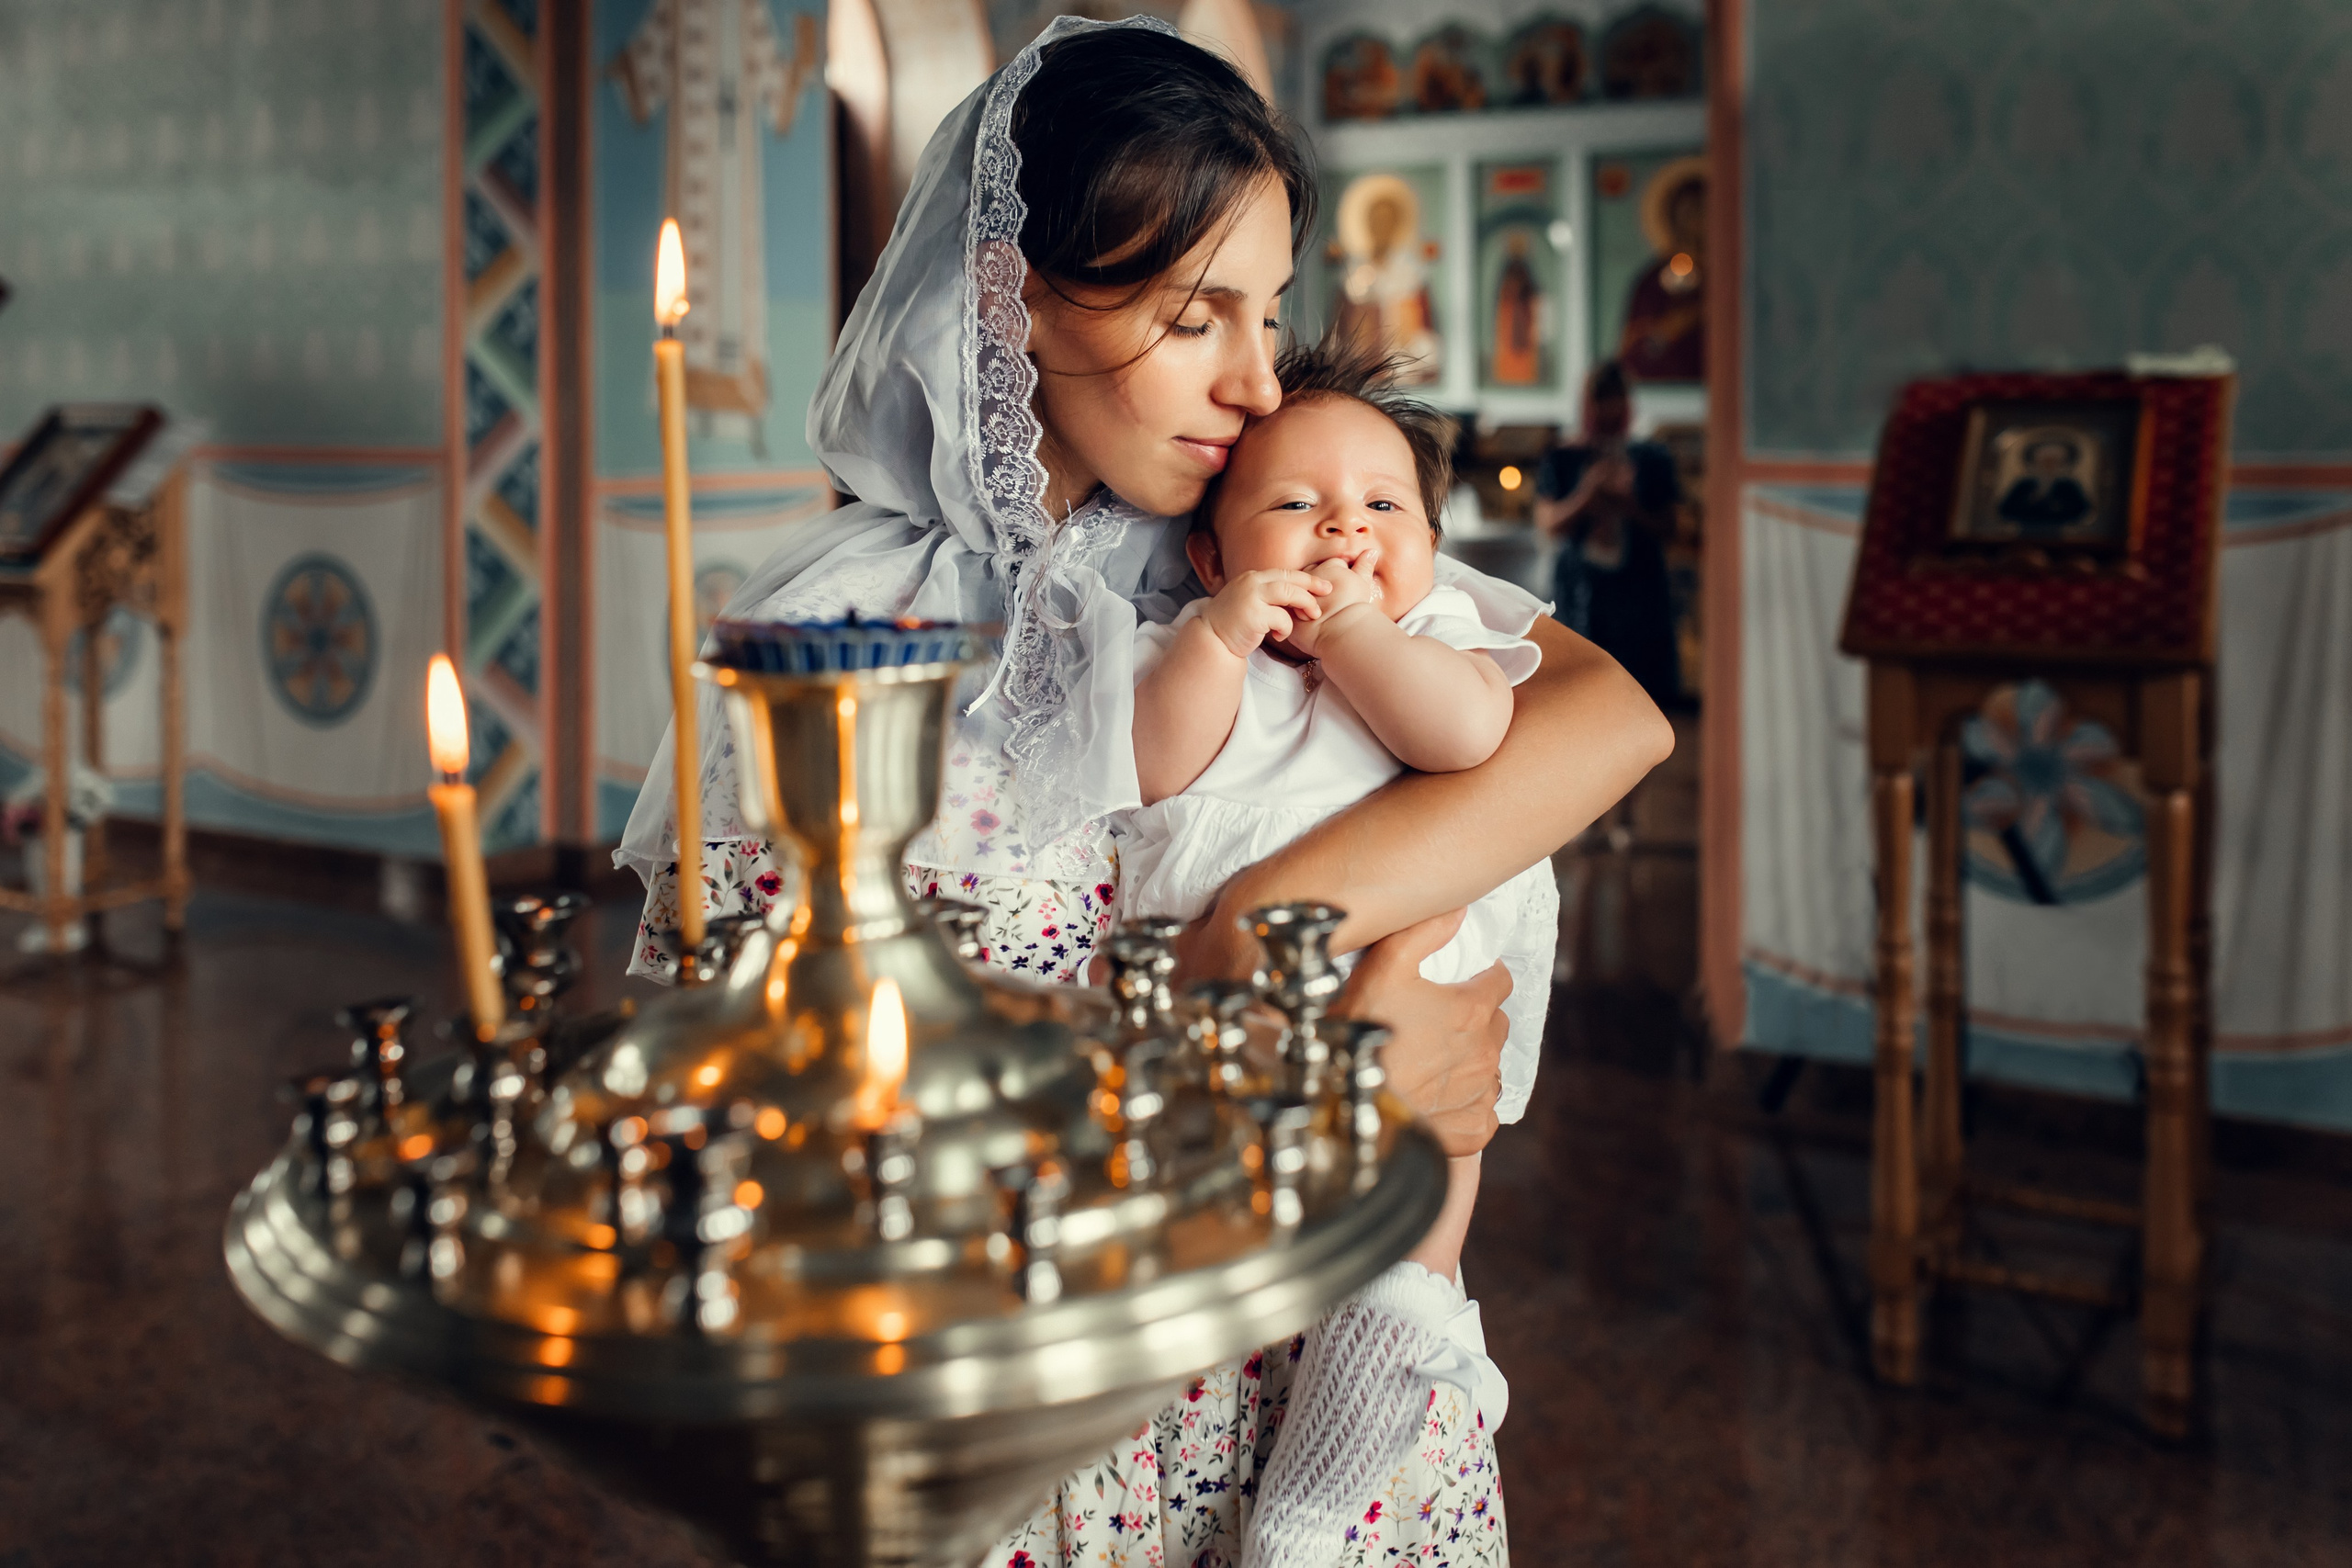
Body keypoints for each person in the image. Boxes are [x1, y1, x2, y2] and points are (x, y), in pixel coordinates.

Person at [619, 17, 1672, 1565]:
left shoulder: (1253, 530)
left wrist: (1283, 923)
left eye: (1271, 312)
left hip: (1306, 1362)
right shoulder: (844, 637)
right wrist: (1272, 1038)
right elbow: (757, 1157)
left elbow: (1605, 719)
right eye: (1194, 316)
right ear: (1013, 300)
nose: (1256, 380)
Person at [1533, 359, 1682, 707]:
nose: (1608, 411)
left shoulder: (1653, 459)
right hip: (1580, 592)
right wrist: (1588, 493)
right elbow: (1548, 525)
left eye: (1615, 400)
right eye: (1601, 400)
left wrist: (1628, 503)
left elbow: (1671, 528)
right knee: (1579, 690)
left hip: (1640, 593)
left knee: (1644, 693)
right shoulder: (1562, 458)